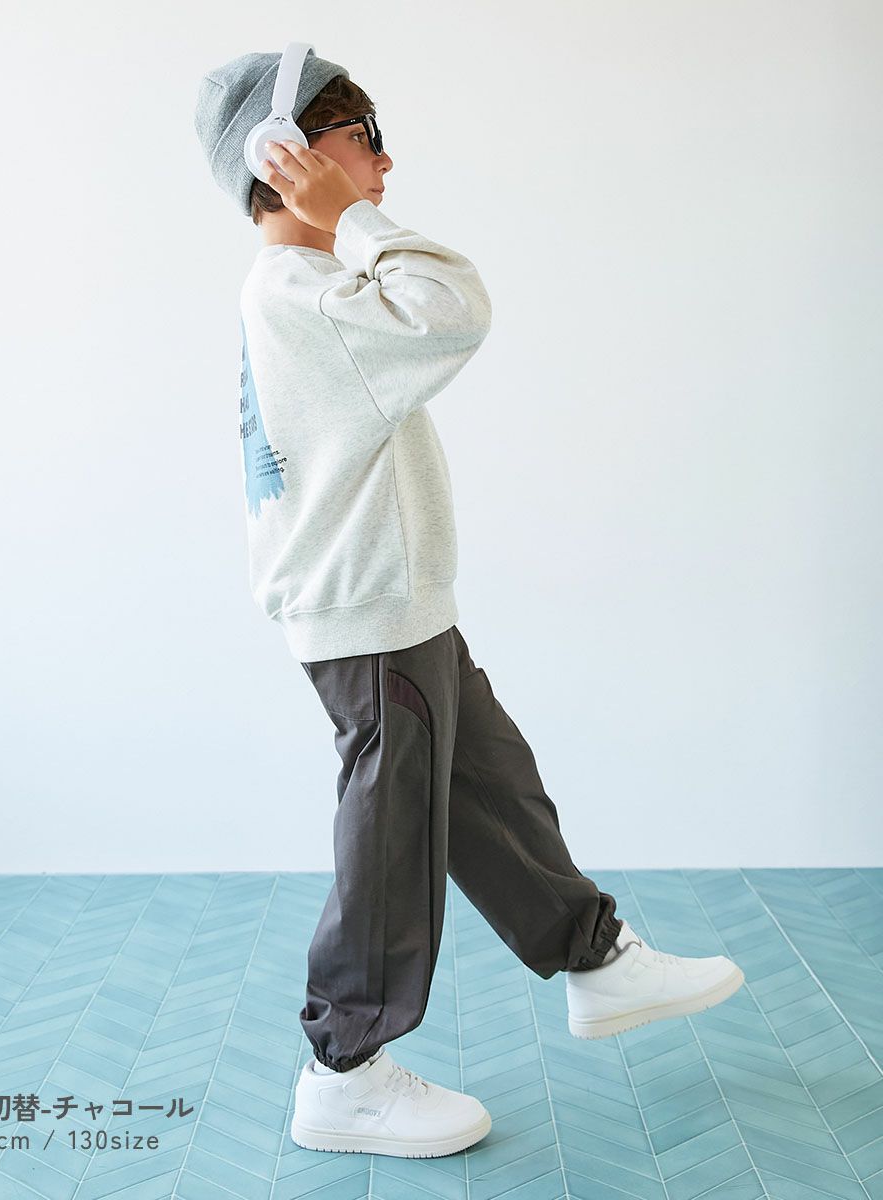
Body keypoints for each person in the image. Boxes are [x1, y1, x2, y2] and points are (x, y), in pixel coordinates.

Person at [193, 49, 745, 1160]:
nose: (384, 161)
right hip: (370, 612)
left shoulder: (311, 291)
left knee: (487, 787)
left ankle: (594, 959)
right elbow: (452, 308)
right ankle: (343, 1072)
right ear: (282, 154)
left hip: (395, 604)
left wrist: (346, 217)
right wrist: (352, 218)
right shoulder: (308, 294)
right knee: (391, 840)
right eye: (361, 135)